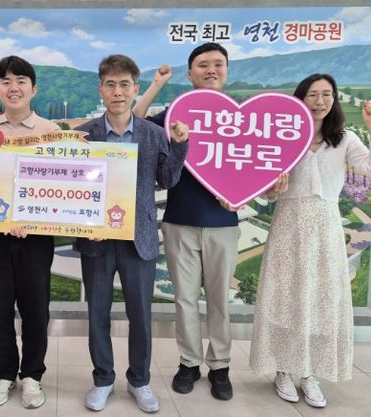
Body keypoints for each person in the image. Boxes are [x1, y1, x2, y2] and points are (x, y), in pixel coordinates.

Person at [250, 74, 371, 408]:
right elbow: (266, 192)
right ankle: (282, 369)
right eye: (312, 95)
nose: (320, 101)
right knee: (285, 296)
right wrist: (274, 189)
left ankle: (309, 373)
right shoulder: (283, 137)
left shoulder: (344, 138)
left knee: (320, 299)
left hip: (325, 226)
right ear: (300, 98)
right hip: (288, 224)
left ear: (334, 99)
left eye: (327, 94)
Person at [74, 54, 189, 413]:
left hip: (139, 237)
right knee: (98, 314)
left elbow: (166, 180)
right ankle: (103, 379)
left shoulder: (153, 134)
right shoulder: (84, 135)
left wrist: (179, 145)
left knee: (140, 315)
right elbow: (72, 189)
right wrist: (84, 225)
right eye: (111, 85)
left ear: (136, 89)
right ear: (101, 89)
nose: (118, 92)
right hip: (96, 239)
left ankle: (139, 380)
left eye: (125, 85)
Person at [132, 42, 238, 401]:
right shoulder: (178, 112)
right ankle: (189, 362)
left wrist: (241, 194)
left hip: (224, 222)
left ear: (226, 71)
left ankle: (220, 365)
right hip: (179, 220)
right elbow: (137, 121)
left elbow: (255, 169)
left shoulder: (241, 116)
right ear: (190, 73)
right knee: (185, 300)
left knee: (220, 300)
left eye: (218, 64)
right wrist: (157, 84)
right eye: (203, 65)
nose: (211, 70)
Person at [0, 55, 59, 409]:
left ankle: (32, 375)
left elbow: (60, 187)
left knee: (35, 309)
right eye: (6, 81)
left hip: (36, 236)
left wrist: (32, 219)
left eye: (20, 81)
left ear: (34, 88)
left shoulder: (51, 130)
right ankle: (4, 374)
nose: (13, 88)